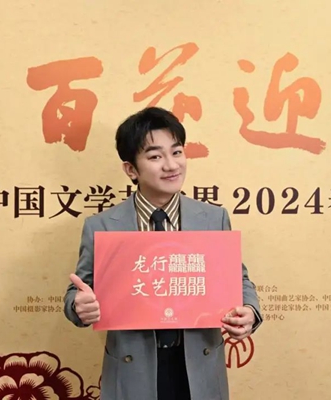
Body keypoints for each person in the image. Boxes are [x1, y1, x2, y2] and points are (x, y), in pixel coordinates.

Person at [63, 107, 263, 400]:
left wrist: (250, 312)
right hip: (133, 368)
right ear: (131, 169)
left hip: (199, 365)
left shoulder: (213, 218)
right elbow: (77, 293)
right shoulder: (103, 226)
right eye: (155, 157)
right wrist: (79, 306)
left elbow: (238, 279)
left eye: (177, 152)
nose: (171, 165)